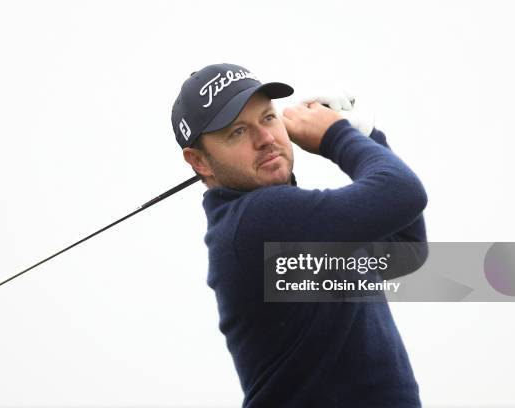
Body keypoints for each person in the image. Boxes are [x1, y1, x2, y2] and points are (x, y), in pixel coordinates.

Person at [170, 63, 427, 408]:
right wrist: (339, 135)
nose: (265, 139)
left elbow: (407, 251)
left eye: (267, 118)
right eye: (237, 132)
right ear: (199, 161)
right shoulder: (256, 220)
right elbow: (403, 192)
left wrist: (366, 136)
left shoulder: (289, 227)